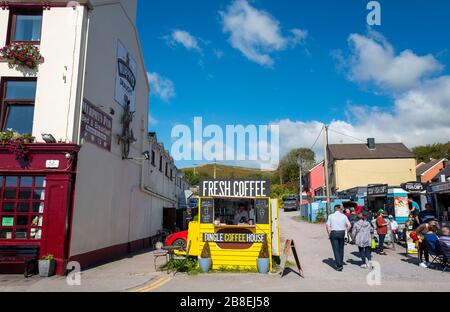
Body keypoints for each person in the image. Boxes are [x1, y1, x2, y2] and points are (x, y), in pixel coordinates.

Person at [326, 204, 351, 272]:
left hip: (333, 233)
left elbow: (327, 226)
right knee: (341, 249)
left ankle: (339, 265)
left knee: (335, 250)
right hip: (342, 233)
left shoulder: (330, 216)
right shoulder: (344, 216)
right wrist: (346, 232)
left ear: (334, 209)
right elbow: (349, 225)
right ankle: (340, 262)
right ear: (339, 209)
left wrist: (329, 234)